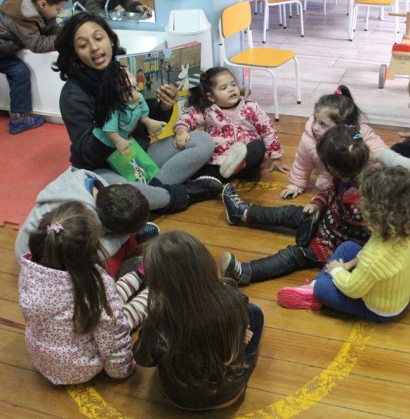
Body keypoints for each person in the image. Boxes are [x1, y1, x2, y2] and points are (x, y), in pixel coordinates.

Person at [53, 12, 221, 214]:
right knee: (118, 195)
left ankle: (154, 193)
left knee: (203, 141)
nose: (94, 47)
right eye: (83, 45)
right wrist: (117, 124)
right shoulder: (73, 93)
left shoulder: (128, 70)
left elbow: (150, 119)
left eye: (98, 38)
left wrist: (165, 106)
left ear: (110, 39)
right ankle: (181, 194)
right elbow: (87, 153)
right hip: (103, 168)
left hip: (140, 155)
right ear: (75, 54)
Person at [278, 166, 410, 321]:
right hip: (397, 294)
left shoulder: (376, 256)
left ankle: (313, 291)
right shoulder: (408, 229)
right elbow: (374, 256)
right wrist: (349, 264)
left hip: (380, 309)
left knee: (321, 288)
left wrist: (337, 271)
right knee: (349, 247)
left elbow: (352, 289)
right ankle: (312, 288)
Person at [221, 125, 371, 285]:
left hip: (330, 245)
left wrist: (330, 245)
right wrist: (317, 203)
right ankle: (241, 213)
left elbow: (366, 243)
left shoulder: (360, 203)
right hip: (323, 220)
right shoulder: (346, 175)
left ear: (333, 168)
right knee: (287, 212)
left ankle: (245, 272)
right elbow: (330, 191)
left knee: (293, 255)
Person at [133, 231, 264, 410]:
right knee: (255, 312)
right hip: (229, 393)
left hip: (179, 397)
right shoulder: (232, 298)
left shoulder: (157, 322)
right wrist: (241, 334)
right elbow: (240, 324)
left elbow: (143, 359)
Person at [19, 202, 136, 385]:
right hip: (81, 368)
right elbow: (112, 335)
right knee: (126, 313)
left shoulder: (29, 271)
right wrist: (122, 370)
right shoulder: (96, 284)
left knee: (111, 305)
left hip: (41, 360)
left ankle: (137, 276)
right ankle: (143, 284)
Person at [15, 167, 155, 279]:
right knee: (107, 270)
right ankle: (132, 247)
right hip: (40, 263)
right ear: (108, 228)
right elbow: (91, 255)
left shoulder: (91, 181)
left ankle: (131, 239)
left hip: (39, 244)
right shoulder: (84, 222)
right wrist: (122, 238)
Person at [175, 66, 289, 182]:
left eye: (233, 84)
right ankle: (211, 180)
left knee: (258, 146)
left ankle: (236, 168)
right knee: (200, 173)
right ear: (211, 97)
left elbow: (268, 130)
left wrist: (276, 158)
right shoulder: (208, 111)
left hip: (246, 164)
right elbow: (187, 118)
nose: (231, 89)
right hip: (219, 162)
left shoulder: (250, 106)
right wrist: (181, 130)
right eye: (224, 88)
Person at [281, 84, 387, 199]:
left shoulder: (360, 134)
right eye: (315, 120)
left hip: (359, 187)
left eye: (322, 124)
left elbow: (381, 153)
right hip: (328, 188)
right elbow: (302, 164)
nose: (315, 127)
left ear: (342, 126)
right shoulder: (309, 139)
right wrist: (295, 185)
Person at [0, 0, 69, 134]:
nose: (59, 12)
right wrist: (63, 39)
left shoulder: (37, 5)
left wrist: (65, 32)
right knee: (19, 71)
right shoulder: (22, 15)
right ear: (43, 4)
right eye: (58, 9)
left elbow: (49, 27)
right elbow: (37, 45)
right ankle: (18, 119)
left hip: (5, 47)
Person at [93, 70, 166, 156]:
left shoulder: (139, 97)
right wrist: (117, 140)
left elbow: (142, 115)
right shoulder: (114, 107)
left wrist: (149, 122)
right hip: (105, 140)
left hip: (125, 138)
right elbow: (109, 129)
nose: (127, 80)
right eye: (120, 80)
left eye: (129, 75)